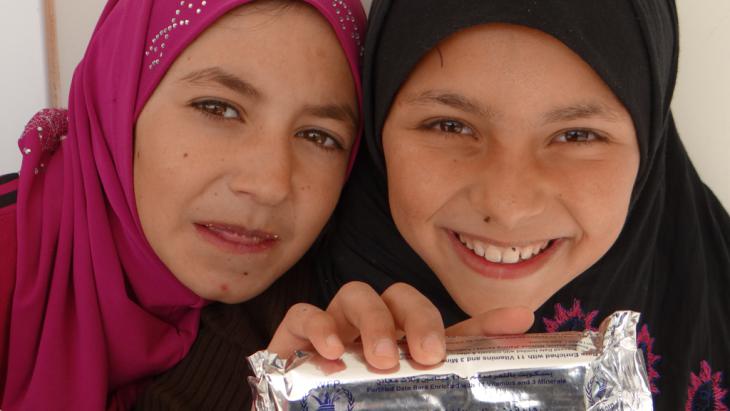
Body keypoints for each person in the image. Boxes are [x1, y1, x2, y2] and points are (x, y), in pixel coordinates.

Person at [303, 0, 729, 409]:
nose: (508, 206)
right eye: (450, 125)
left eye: (577, 135)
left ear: (648, 147)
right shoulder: (285, 347)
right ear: (378, 125)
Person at [0, 0, 366, 409]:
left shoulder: (325, 327)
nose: (270, 185)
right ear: (119, 102)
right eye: (218, 108)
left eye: (319, 136)